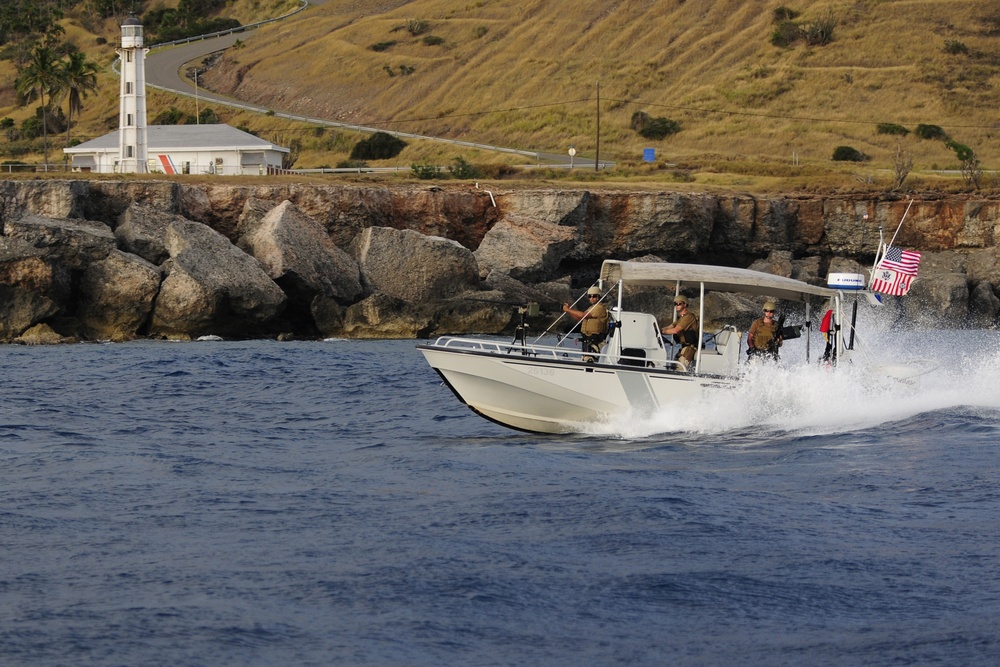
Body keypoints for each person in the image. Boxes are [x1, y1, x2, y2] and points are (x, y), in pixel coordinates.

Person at [562, 286, 609, 362]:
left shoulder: (599, 308)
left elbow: (583, 315)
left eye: (594, 296)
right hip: (588, 339)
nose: (592, 298)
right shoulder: (592, 307)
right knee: (586, 358)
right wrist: (568, 311)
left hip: (595, 339)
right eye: (590, 296)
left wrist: (568, 310)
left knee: (591, 359)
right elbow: (580, 318)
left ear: (599, 296)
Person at [660, 294, 699, 370]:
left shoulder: (688, 317)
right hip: (684, 347)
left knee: (680, 369)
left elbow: (675, 330)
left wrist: (662, 331)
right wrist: (659, 330)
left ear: (685, 304)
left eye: (679, 304)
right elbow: (670, 327)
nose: (677, 306)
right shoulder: (680, 318)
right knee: (673, 366)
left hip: (690, 348)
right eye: (675, 304)